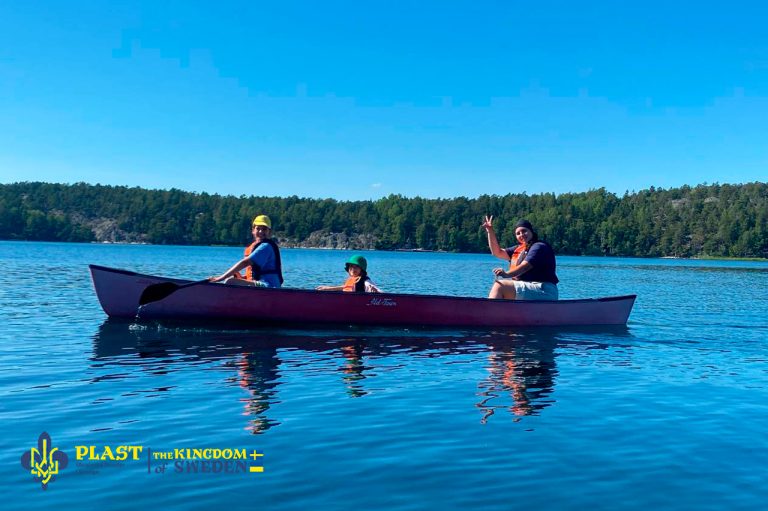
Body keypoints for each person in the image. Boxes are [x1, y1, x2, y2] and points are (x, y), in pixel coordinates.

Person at [482, 215, 558, 300]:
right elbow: (497, 252)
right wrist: (490, 231)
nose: (521, 235)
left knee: (500, 286)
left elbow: (525, 267)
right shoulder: (518, 249)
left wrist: (506, 274)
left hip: (545, 290)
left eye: (524, 231)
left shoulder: (539, 247)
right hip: (530, 289)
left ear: (531, 231)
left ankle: (489, 312)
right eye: (518, 233)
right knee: (500, 287)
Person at [209, 214, 283, 287]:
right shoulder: (259, 246)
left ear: (269, 232)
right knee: (233, 278)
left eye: (264, 229)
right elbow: (255, 274)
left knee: (230, 281)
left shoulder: (266, 246)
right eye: (258, 228)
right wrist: (241, 278)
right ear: (253, 230)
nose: (261, 231)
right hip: (263, 283)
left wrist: (220, 278)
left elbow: (245, 263)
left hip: (268, 285)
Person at [316, 255, 381, 293]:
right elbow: (345, 287)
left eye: (356, 267)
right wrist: (327, 288)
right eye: (351, 266)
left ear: (362, 269)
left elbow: (379, 292)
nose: (353, 269)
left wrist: (377, 292)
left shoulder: (366, 281)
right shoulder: (351, 280)